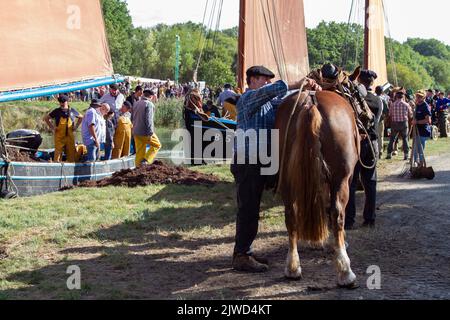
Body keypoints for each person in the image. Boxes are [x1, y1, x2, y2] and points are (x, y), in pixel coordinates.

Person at [231, 65, 321, 273]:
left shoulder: (269, 105)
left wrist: (306, 91)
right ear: (252, 80)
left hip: (262, 161)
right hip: (247, 161)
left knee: (252, 209)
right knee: (248, 209)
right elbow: (271, 92)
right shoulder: (247, 99)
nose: (267, 83)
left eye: (268, 80)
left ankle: (247, 251)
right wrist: (297, 83)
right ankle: (241, 255)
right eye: (264, 79)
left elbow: (285, 100)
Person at [345, 70, 382, 230]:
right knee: (370, 182)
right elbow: (377, 121)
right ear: (372, 83)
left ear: (359, 80)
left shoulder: (351, 99)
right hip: (372, 142)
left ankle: (349, 220)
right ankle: (370, 219)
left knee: (352, 183)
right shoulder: (378, 101)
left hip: (356, 143)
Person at [44, 95, 83, 163]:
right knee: (58, 153)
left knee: (71, 153)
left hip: (70, 137)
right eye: (60, 102)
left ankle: (71, 165)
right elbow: (46, 118)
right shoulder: (56, 111)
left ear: (67, 102)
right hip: (59, 137)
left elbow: (81, 117)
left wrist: (76, 127)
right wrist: (53, 128)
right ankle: (57, 165)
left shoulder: (72, 111)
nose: (61, 103)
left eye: (63, 102)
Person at [132, 90, 162, 165]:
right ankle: (146, 160)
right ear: (151, 96)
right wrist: (150, 133)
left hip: (136, 131)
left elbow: (132, 117)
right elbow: (149, 120)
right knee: (157, 145)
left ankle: (138, 168)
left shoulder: (136, 103)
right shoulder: (149, 104)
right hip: (145, 132)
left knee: (139, 151)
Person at [386, 91, 413, 160]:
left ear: (396, 97)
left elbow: (390, 115)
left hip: (394, 123)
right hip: (404, 123)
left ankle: (389, 154)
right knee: (405, 139)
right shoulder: (406, 104)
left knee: (392, 139)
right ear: (403, 96)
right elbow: (410, 115)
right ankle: (406, 155)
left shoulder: (392, 104)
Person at [412, 91, 432, 164]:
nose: (418, 98)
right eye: (417, 96)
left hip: (423, 131)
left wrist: (417, 122)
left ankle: (420, 163)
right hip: (416, 130)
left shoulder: (425, 106)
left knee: (420, 149)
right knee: (415, 149)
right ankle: (415, 163)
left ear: (423, 97)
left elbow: (428, 120)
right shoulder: (417, 105)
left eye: (420, 96)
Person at [375, 86, 389, 159]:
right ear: (382, 92)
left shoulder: (372, 98)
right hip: (380, 120)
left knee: (374, 136)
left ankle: (375, 151)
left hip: (372, 121)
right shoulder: (383, 100)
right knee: (380, 136)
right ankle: (380, 152)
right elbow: (387, 111)